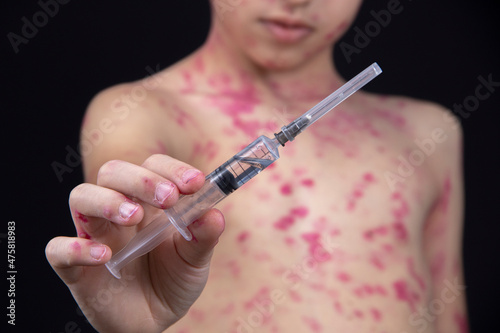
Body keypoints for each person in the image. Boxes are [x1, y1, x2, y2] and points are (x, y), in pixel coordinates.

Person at [46, 0, 468, 332]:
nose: (296, 1)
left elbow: (448, 311)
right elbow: (134, 259)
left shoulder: (426, 134)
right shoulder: (138, 113)